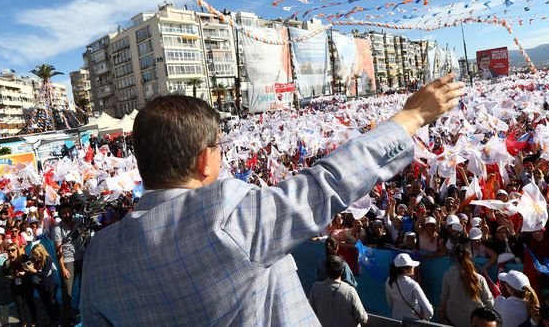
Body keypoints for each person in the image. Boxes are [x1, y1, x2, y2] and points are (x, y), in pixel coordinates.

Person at [81, 74, 464, 325]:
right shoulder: (226, 216)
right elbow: (326, 182)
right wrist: (412, 117)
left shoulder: (98, 255)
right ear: (203, 160)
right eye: (218, 148)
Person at [441, 243, 494, 327]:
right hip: (475, 321)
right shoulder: (479, 278)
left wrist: (442, 315)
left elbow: (444, 297)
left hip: (454, 319)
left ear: (455, 257)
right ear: (470, 256)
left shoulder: (448, 275)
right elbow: (489, 302)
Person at [308, 255, 368, 327]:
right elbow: (363, 318)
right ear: (342, 271)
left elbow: (310, 312)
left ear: (326, 270)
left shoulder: (316, 287)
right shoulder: (350, 291)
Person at [53, 203, 84, 325]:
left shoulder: (78, 221)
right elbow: (58, 250)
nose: (67, 215)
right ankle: (65, 321)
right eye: (64, 213)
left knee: (84, 288)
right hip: (67, 261)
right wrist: (62, 268)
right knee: (68, 294)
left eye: (69, 212)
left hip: (81, 257)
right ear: (60, 215)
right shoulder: (57, 228)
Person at [385, 253, 432, 321]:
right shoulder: (413, 285)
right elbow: (429, 311)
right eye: (412, 266)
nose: (414, 267)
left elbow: (390, 304)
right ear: (404, 270)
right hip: (413, 322)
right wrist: (425, 316)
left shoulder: (388, 281)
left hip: (396, 319)